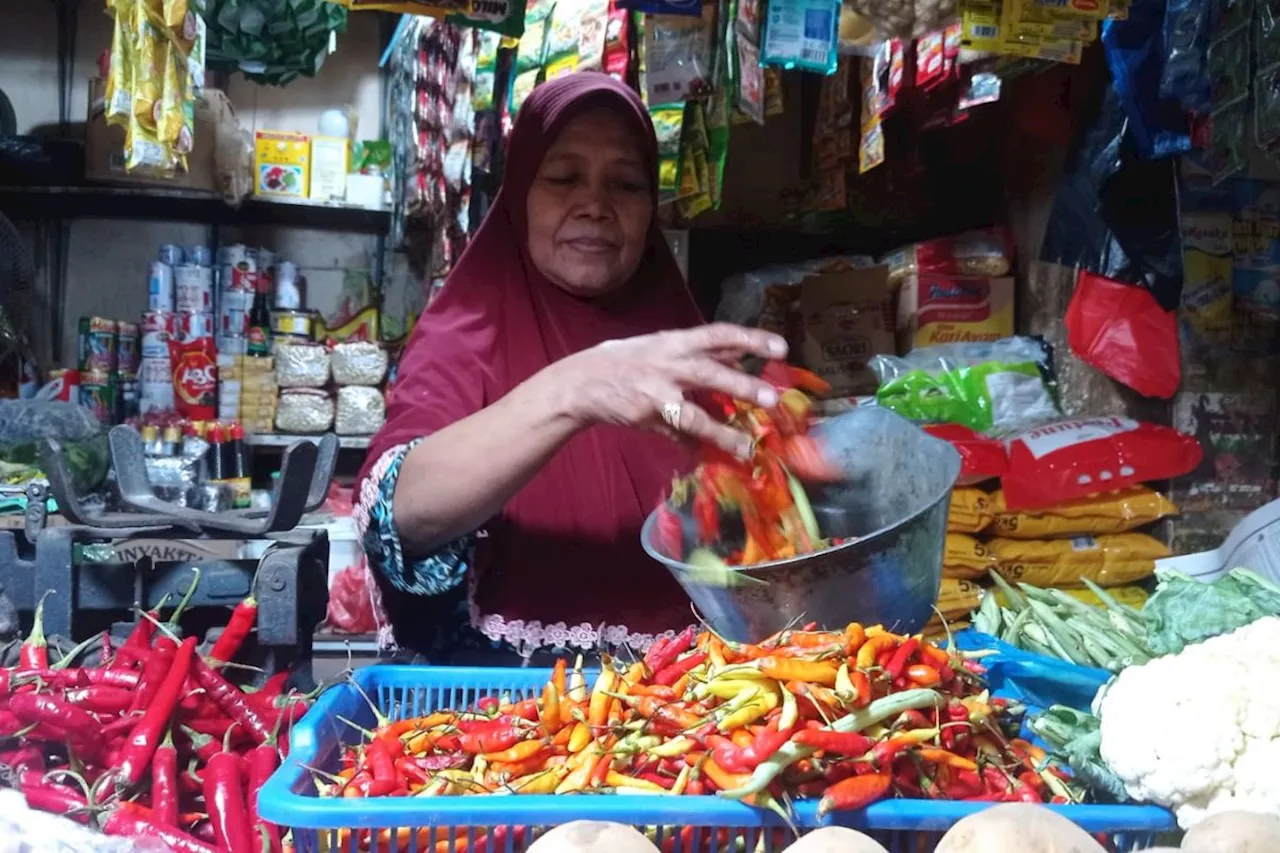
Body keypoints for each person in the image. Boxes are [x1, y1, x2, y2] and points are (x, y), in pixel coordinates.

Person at [356, 73, 786, 665]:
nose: (595, 206)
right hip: (504, 727)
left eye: (627, 184)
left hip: (686, 724)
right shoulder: (466, 335)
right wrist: (575, 390)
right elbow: (398, 517)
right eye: (562, 178)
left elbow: (743, 535)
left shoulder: (679, 351)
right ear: (519, 193)